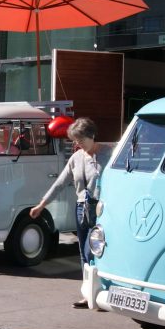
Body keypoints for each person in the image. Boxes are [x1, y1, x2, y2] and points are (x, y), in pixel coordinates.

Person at [29, 117, 110, 309]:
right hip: (82, 208)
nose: (77, 143)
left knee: (96, 250)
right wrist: (42, 205)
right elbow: (60, 183)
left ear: (92, 136)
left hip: (102, 208)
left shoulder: (108, 154)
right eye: (75, 140)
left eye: (80, 139)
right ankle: (88, 293)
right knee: (83, 251)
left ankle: (104, 290)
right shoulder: (76, 158)